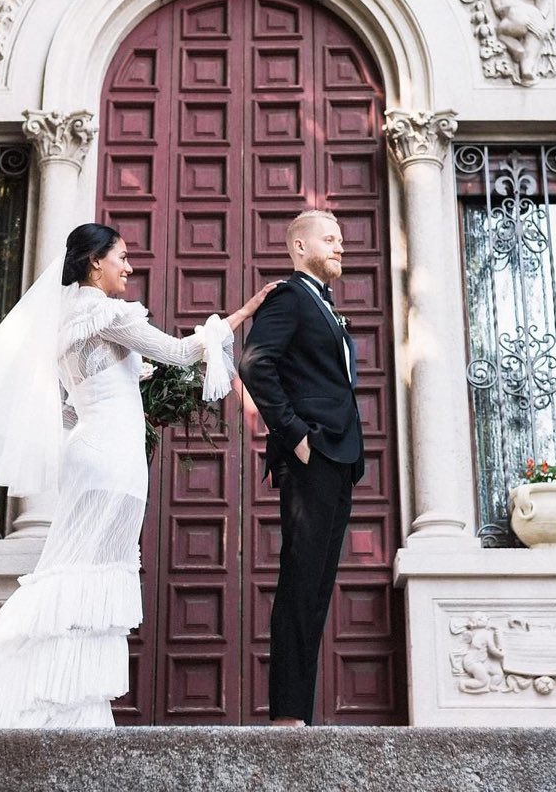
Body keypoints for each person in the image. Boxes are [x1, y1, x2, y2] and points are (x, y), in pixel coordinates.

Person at [0, 222, 274, 728]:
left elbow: (72, 408)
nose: (129, 267)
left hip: (96, 451)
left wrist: (124, 412)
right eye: (122, 257)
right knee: (82, 575)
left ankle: (75, 710)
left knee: (81, 575)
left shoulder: (70, 319)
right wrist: (243, 312)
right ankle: (33, 699)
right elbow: (179, 353)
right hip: (110, 460)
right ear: (94, 262)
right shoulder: (104, 311)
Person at [237, 209, 364, 727]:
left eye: (341, 238)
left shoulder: (326, 305)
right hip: (312, 456)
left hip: (339, 458)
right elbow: (254, 363)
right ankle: (287, 715)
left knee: (315, 587)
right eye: (329, 239)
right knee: (300, 582)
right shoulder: (290, 297)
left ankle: (298, 714)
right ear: (298, 248)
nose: (340, 246)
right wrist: (296, 437)